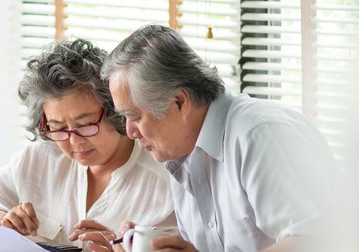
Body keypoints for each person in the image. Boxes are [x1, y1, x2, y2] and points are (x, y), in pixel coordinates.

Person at [86, 24, 337, 251]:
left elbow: (313, 240)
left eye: (135, 116)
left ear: (179, 101)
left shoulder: (258, 134)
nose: (130, 131)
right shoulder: (181, 154)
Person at [0, 39, 174, 247]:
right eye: (59, 127)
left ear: (114, 111)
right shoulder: (41, 158)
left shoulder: (165, 184)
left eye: (86, 124)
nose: (74, 141)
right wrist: (3, 221)